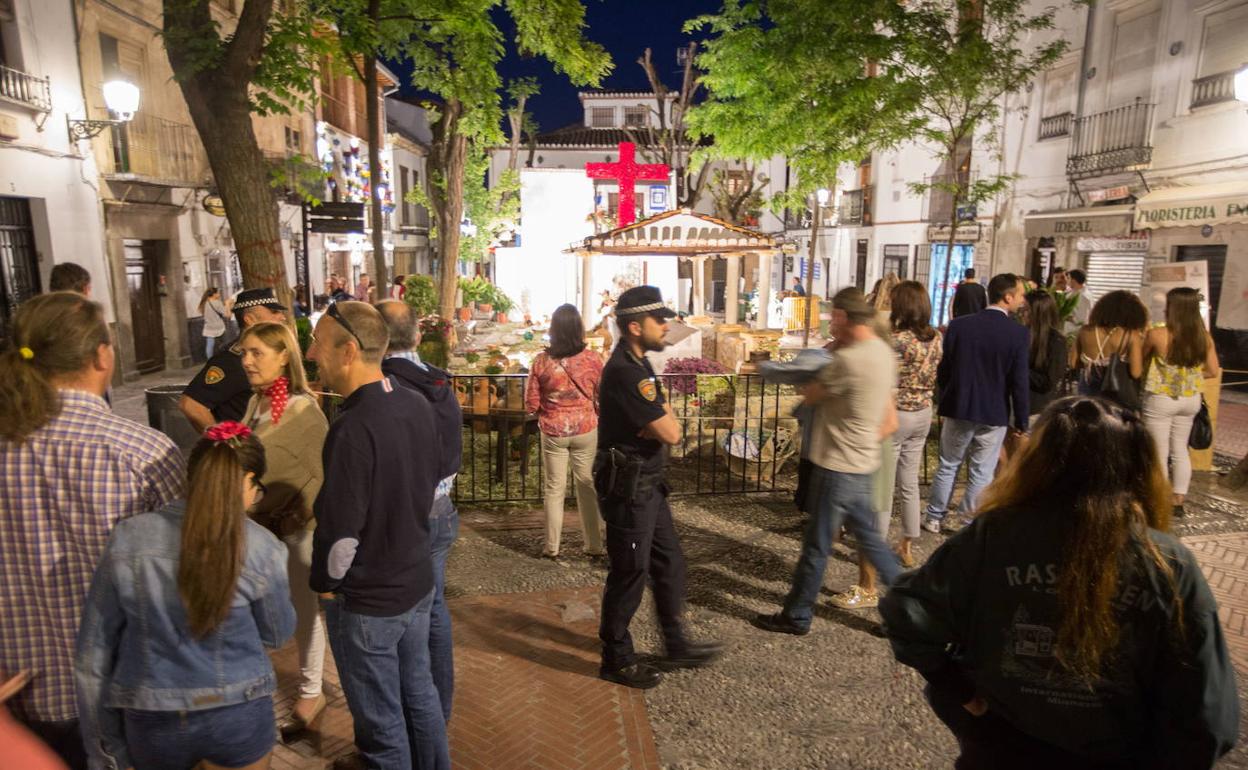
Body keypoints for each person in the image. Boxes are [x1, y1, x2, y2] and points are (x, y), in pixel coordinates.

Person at [880, 396, 1239, 768]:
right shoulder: (1167, 563)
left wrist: (959, 691)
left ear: (1038, 461)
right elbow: (1208, 713)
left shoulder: (994, 537)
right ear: (1138, 466)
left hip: (1003, 748)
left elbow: (907, 612)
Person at [0, 292, 185, 769]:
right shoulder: (143, 454)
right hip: (127, 693)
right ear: (101, 356)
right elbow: (185, 580)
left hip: (20, 700)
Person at [76, 423, 297, 770]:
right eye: (257, 487)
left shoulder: (129, 538)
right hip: (237, 712)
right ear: (247, 480)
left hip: (154, 720)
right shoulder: (261, 547)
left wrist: (104, 747)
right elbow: (278, 632)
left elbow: (93, 655)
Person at [307, 301, 449, 768]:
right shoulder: (414, 402)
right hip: (416, 581)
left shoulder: (352, 427)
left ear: (348, 350)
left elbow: (342, 535)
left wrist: (326, 588)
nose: (311, 356)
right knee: (420, 696)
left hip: (371, 600)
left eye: (318, 345)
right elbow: (429, 488)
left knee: (381, 728)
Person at [595, 286, 721, 689]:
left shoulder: (640, 363)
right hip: (629, 490)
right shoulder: (626, 372)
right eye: (659, 320)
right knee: (629, 574)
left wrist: (663, 421)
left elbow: (666, 424)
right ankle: (616, 658)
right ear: (634, 326)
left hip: (648, 485)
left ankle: (676, 644)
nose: (666, 325)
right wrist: (664, 422)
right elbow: (671, 431)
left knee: (670, 565)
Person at [754, 287, 902, 628]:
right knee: (873, 546)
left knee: (817, 546)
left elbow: (813, 396)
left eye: (834, 316)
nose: (830, 322)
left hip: (837, 465)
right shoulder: (882, 353)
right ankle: (912, 612)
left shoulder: (848, 361)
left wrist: (780, 372)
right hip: (864, 462)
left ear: (847, 318)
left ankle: (797, 615)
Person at [237, 321, 330, 739]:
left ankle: (312, 691)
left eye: (257, 352)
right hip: (259, 530)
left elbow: (319, 473)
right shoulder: (257, 403)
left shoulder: (303, 409)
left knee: (305, 612)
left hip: (297, 529)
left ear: (283, 357)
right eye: (244, 352)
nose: (247, 360)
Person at [377, 299, 464, 723]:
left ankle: (419, 720)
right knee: (434, 608)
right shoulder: (437, 381)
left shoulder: (383, 387)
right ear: (416, 335)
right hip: (442, 507)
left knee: (407, 617)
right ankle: (437, 711)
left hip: (407, 515)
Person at [922, 274, 1029, 534]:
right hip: (994, 411)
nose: (1022, 300)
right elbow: (1018, 381)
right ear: (1007, 297)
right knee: (982, 470)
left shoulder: (959, 326)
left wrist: (945, 396)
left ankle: (934, 516)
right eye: (1020, 294)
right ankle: (968, 522)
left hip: (959, 404)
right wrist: (1022, 421)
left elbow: (945, 369)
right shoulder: (1017, 333)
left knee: (949, 464)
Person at [525, 304, 606, 560]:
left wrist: (548, 411)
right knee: (587, 485)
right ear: (579, 329)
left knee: (554, 489)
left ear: (553, 330)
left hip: (553, 431)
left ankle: (552, 546)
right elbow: (602, 397)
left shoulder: (541, 361)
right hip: (586, 428)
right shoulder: (593, 359)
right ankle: (594, 544)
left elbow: (530, 403)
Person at [1142, 287, 1221, 518]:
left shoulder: (1158, 334)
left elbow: (1140, 363)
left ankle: (1157, 500)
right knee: (1179, 449)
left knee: (1158, 451)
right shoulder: (1203, 337)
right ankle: (1178, 500)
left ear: (1173, 308)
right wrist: (1189, 377)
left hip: (1160, 398)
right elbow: (1212, 370)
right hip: (1190, 399)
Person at [181, 287, 288, 431]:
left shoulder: (273, 353)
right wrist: (227, 444)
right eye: (274, 312)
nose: (282, 317)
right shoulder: (230, 361)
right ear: (250, 319)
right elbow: (191, 405)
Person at [889, 281, 942, 568]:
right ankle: (907, 543)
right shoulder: (936, 339)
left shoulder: (898, 340)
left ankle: (873, 544)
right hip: (924, 412)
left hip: (897, 413)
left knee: (884, 484)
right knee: (909, 482)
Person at [1071, 289, 1147, 408]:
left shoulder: (1085, 331)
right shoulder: (1131, 335)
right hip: (1116, 393)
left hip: (1087, 388)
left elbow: (1072, 363)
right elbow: (1136, 373)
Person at [1024, 289, 1069, 423]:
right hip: (1018, 406)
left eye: (1026, 309)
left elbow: (1048, 381)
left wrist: (1017, 368)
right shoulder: (1022, 334)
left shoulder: (1056, 341)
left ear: (1037, 313)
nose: (1022, 314)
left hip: (1039, 410)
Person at [198, 287, 230, 358]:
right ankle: (225, 359)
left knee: (209, 345)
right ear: (214, 294)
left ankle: (209, 361)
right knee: (225, 344)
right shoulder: (217, 303)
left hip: (208, 327)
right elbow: (227, 315)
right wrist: (227, 304)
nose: (219, 294)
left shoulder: (204, 303)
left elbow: (201, 312)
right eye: (218, 293)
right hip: (219, 327)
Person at [1062, 268, 1093, 335]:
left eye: (1068, 278)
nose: (1067, 281)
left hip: (1075, 332)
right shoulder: (1073, 291)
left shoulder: (1083, 296)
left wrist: (1066, 316)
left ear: (1073, 280)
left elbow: (1081, 319)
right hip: (1067, 330)